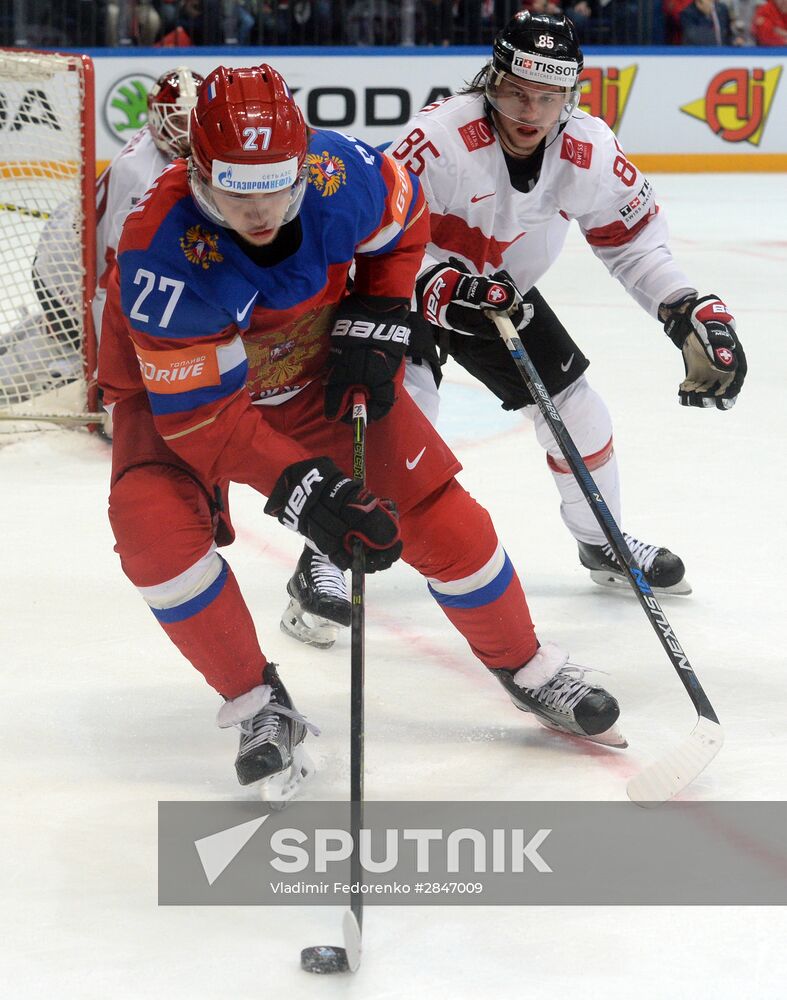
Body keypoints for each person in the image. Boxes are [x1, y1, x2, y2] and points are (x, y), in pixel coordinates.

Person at [97, 62, 624, 800]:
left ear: (302, 160)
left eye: (277, 186)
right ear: (197, 172)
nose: (261, 212)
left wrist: (378, 314)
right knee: (151, 532)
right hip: (179, 404)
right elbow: (204, 420)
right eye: (237, 192)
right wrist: (306, 491)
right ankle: (255, 700)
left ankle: (526, 663)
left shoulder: (340, 170)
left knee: (439, 516)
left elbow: (404, 223)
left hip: (309, 365)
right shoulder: (160, 252)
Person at [378, 12, 746, 600]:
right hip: (400, 290)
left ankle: (602, 541)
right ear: (491, 82)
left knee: (579, 414)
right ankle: (326, 556)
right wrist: (436, 284)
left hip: (496, 296)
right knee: (402, 414)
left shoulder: (588, 149)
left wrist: (686, 308)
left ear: (569, 96)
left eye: (549, 98)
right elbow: (373, 236)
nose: (530, 112)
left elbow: (634, 244)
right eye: (517, 93)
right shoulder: (439, 140)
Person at [0, 67, 203, 408]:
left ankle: (21, 342)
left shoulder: (160, 152)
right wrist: (107, 376)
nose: (186, 133)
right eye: (178, 121)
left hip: (72, 241)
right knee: (67, 342)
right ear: (157, 118)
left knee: (64, 335)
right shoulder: (141, 175)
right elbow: (113, 277)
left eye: (192, 121)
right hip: (68, 270)